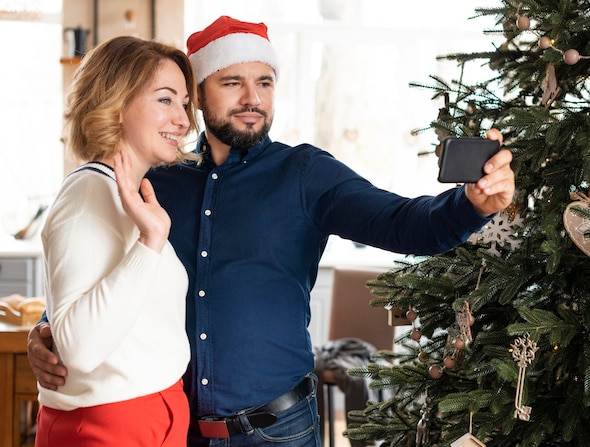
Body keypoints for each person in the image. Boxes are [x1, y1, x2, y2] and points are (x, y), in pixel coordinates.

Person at [28, 16, 515, 447]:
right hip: (175, 430)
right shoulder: (154, 177)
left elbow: (408, 225)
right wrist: (47, 328)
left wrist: (470, 204)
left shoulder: (304, 173)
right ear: (197, 96)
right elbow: (98, 268)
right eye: (232, 82)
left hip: (277, 431)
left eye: (265, 82)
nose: (252, 99)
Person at [33, 35, 199, 446]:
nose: (184, 120)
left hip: (149, 418)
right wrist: (151, 240)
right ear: (117, 103)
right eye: (165, 100)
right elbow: (81, 348)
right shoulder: (87, 197)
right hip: (111, 428)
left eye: (184, 103)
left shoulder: (120, 193)